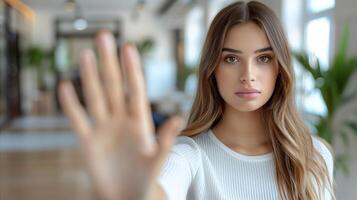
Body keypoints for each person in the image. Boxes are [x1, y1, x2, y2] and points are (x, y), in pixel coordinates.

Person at [58, 1, 335, 200]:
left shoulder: (314, 155)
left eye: (264, 58)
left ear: (280, 68)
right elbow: (163, 188)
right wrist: (138, 192)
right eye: (231, 59)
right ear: (212, 69)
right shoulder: (188, 156)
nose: (248, 75)